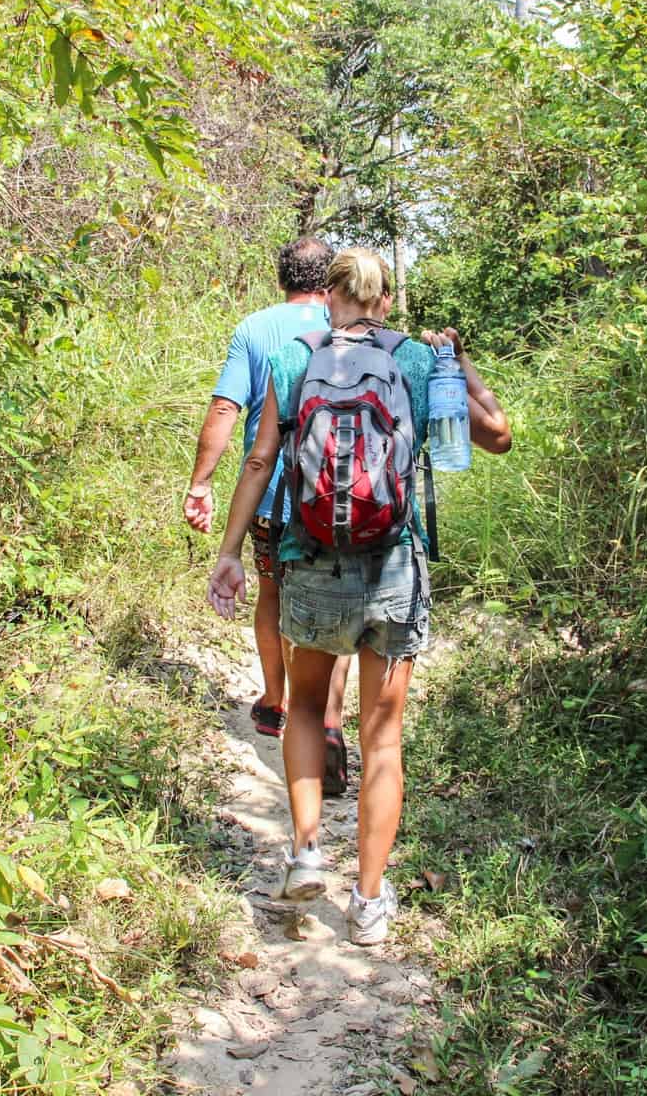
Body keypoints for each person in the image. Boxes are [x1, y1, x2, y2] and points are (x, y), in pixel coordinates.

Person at [206, 246, 512, 945]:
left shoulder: (294, 355)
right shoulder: (413, 360)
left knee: (308, 705)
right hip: (393, 567)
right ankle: (369, 900)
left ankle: (307, 852)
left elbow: (260, 459)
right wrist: (455, 360)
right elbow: (497, 436)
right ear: (386, 300)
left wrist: (229, 554)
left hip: (310, 559)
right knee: (381, 738)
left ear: (330, 295)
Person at [185, 239, 354, 793]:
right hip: (338, 496)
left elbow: (225, 407)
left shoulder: (255, 329)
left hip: (274, 495)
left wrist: (202, 482)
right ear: (327, 279)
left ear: (280, 277)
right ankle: (329, 715)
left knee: (272, 591)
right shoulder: (347, 324)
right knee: (333, 598)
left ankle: (278, 699)